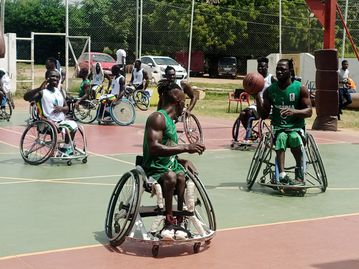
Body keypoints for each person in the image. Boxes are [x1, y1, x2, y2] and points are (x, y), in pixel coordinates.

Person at [142, 79, 205, 239]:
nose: (185, 107)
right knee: (171, 176)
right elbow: (154, 148)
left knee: (181, 175)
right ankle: (168, 220)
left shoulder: (170, 121)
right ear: (180, 102)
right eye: (184, 103)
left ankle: (179, 220)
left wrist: (181, 160)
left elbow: (168, 149)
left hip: (168, 167)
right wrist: (186, 147)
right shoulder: (157, 118)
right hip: (153, 170)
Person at [254, 59, 312, 185]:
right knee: (281, 138)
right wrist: (257, 97)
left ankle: (299, 171)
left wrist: (294, 112)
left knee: (295, 138)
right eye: (277, 69)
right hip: (278, 128)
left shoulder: (300, 88)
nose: (279, 72)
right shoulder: (270, 90)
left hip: (296, 127)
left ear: (290, 71)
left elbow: (309, 112)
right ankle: (282, 174)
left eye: (283, 69)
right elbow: (263, 115)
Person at [24, 70, 78, 156]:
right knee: (69, 126)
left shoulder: (59, 91)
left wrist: (61, 108)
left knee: (75, 125)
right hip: (46, 122)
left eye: (57, 77)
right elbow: (26, 97)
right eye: (52, 76)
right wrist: (39, 88)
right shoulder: (42, 93)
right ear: (47, 78)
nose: (55, 78)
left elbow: (67, 108)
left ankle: (66, 147)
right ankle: (65, 148)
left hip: (59, 121)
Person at [238, 57, 275, 142]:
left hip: (268, 106)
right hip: (256, 104)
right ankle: (250, 134)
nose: (261, 69)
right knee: (243, 114)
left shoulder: (272, 79)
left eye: (263, 66)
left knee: (250, 113)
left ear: (267, 66)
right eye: (259, 67)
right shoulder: (254, 78)